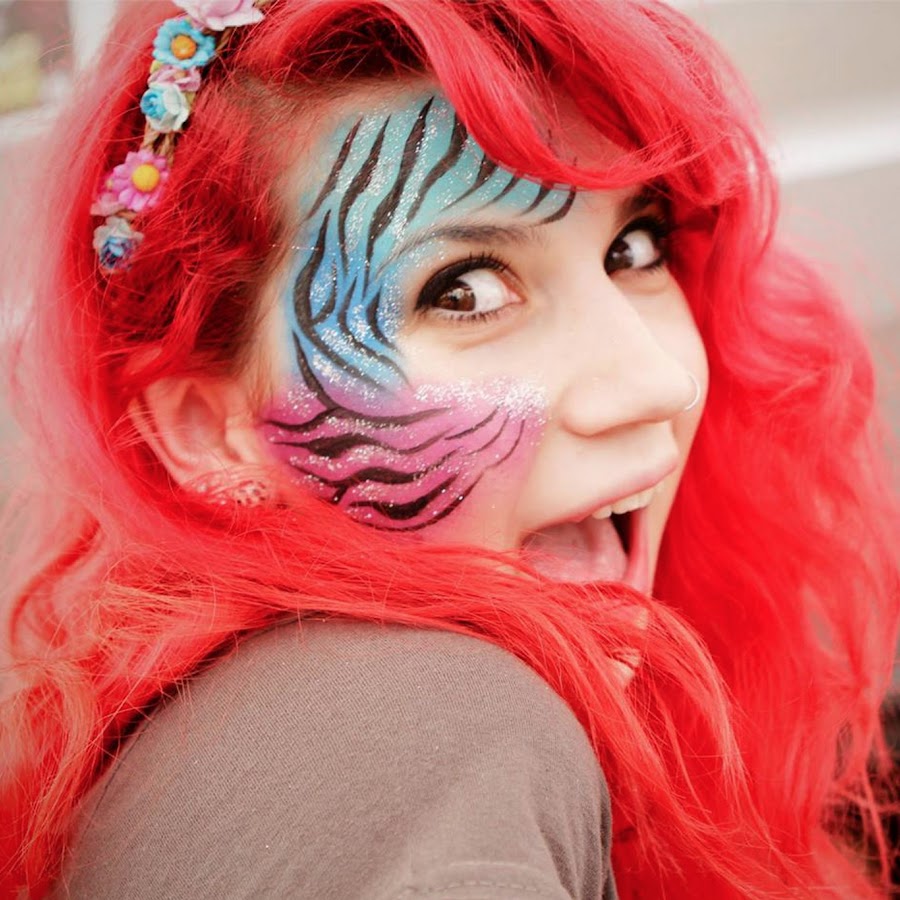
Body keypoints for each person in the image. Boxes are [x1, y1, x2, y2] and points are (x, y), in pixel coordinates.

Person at [1, 0, 897, 897]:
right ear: (207, 426)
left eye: (634, 246)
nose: (656, 382)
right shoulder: (445, 735)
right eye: (464, 291)